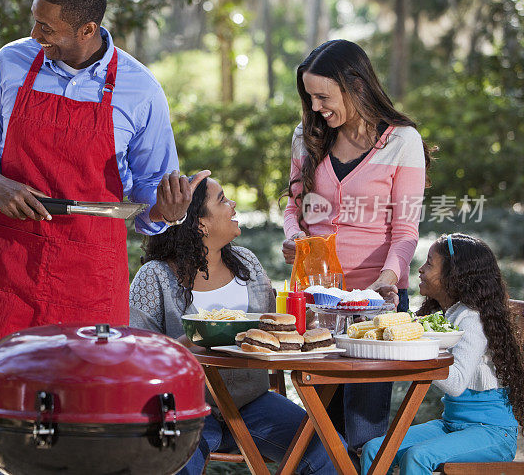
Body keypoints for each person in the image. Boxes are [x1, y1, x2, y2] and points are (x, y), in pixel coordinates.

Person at [0, 0, 205, 393]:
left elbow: (150, 192)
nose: (35, 34)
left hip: (90, 275)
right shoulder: (10, 63)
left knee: (85, 404)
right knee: (2, 401)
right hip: (9, 265)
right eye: (34, 20)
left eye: (47, 27)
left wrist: (167, 210)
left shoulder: (140, 90)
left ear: (88, 29)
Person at [130, 176, 341, 475]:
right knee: (174, 463)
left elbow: (280, 329)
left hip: (252, 405)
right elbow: (134, 357)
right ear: (200, 223)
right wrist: (183, 346)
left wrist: (315, 316)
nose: (233, 205)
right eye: (222, 200)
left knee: (330, 451)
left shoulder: (246, 263)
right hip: (184, 411)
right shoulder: (155, 277)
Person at [282, 39, 432, 455]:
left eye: (323, 96)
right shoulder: (307, 137)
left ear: (355, 86)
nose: (315, 108)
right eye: (309, 97)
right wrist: (293, 235)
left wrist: (388, 279)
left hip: (375, 303)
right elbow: (294, 208)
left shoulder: (402, 141)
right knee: (322, 424)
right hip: (317, 300)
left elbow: (405, 231)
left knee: (363, 430)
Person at [361, 234, 524, 474]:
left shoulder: (471, 319)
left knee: (418, 457)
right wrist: (386, 311)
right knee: (375, 449)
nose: (420, 269)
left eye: (429, 264)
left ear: (453, 276)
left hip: (491, 432)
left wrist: (415, 350)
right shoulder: (446, 313)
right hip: (451, 424)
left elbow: (456, 382)